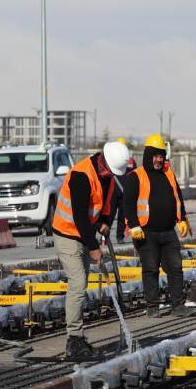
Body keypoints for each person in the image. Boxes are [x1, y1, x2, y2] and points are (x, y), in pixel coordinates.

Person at [51, 140, 130, 359]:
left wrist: (104, 221)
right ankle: (74, 340)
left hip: (84, 234)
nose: (111, 174)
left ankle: (77, 338)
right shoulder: (81, 176)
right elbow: (79, 217)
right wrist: (94, 248)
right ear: (102, 160)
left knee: (82, 282)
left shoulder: (108, 177)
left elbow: (106, 206)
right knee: (78, 283)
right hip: (67, 234)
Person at [123, 133, 194, 317]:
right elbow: (128, 204)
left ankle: (178, 305)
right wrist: (134, 225)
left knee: (175, 268)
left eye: (161, 156)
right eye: (155, 156)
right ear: (148, 155)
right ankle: (152, 307)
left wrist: (183, 219)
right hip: (146, 233)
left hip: (168, 232)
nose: (158, 159)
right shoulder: (135, 177)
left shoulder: (168, 174)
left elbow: (178, 198)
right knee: (151, 269)